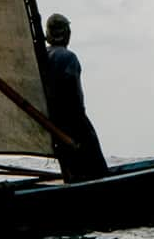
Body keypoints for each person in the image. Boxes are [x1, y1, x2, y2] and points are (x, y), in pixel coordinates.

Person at [43, 12, 109, 182]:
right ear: (67, 34)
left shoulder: (43, 55)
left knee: (73, 168)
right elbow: (74, 97)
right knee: (96, 170)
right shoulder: (68, 57)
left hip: (53, 123)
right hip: (73, 124)